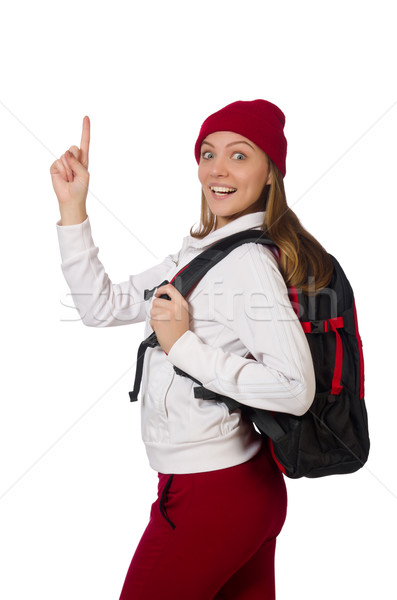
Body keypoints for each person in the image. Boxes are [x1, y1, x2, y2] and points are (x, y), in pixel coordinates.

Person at [50, 99, 333, 600]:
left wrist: (181, 346)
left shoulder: (246, 263)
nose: (218, 170)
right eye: (208, 153)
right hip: (235, 490)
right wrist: (73, 210)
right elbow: (100, 306)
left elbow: (295, 388)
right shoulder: (200, 254)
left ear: (271, 174)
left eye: (240, 155)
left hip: (214, 496)